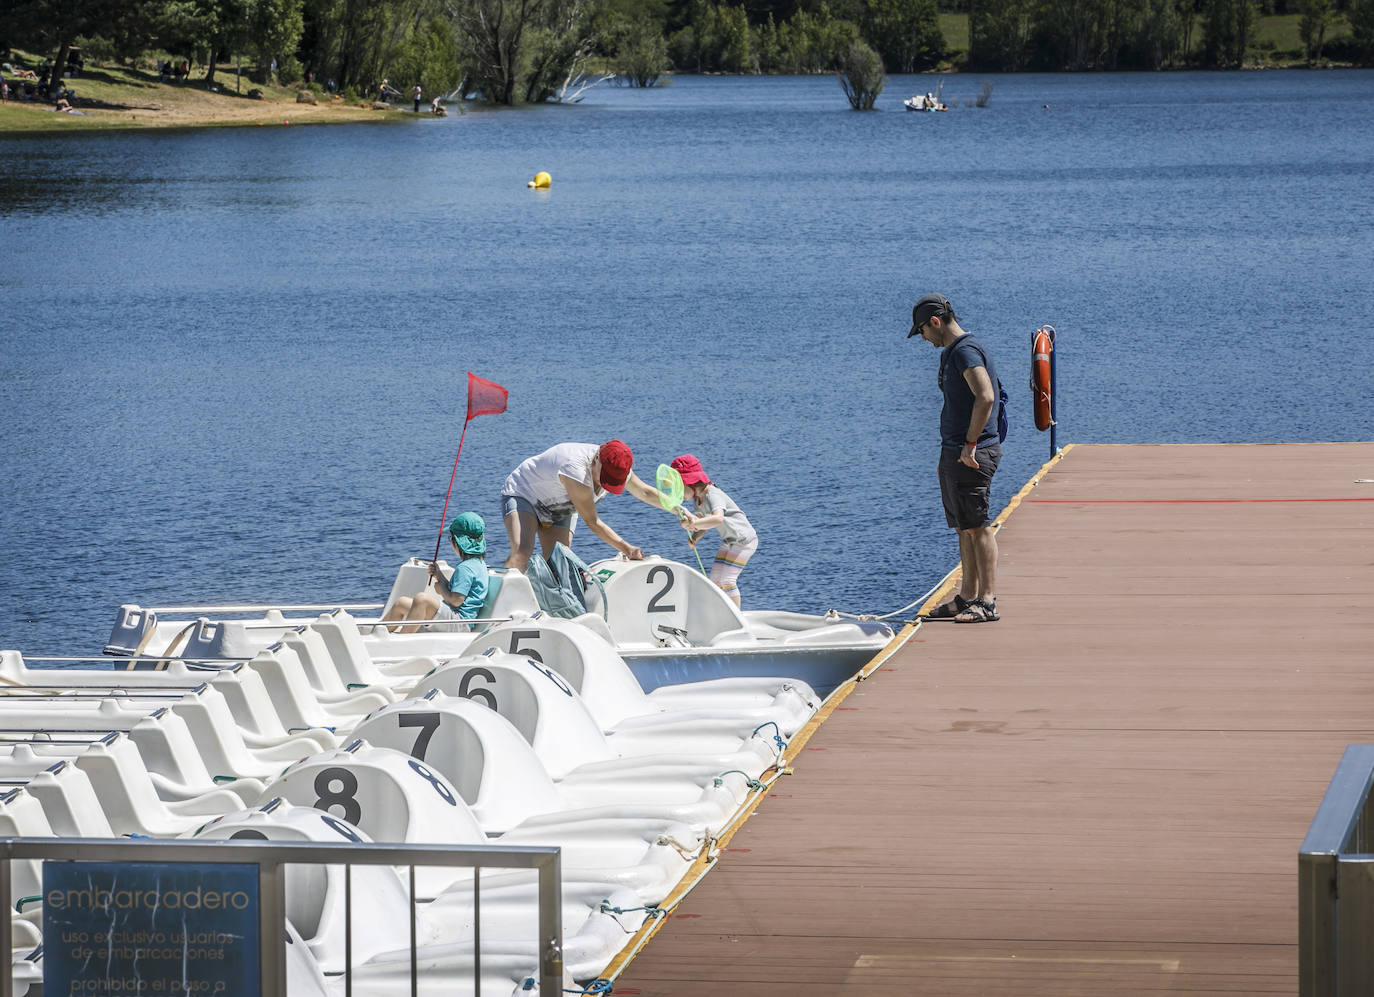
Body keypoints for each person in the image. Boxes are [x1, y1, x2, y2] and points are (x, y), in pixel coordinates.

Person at [909, 292, 1003, 623]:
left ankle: (988, 601)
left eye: (922, 331)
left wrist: (970, 444)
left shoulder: (965, 351)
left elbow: (986, 396)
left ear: (935, 322)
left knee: (978, 527)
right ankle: (967, 597)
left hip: (972, 453)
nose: (923, 338)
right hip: (954, 451)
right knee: (964, 527)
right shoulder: (955, 352)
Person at [500, 440, 662, 571]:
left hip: (559, 507)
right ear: (597, 457)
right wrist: (627, 549)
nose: (606, 485)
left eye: (614, 482)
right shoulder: (575, 469)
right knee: (521, 553)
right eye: (606, 477)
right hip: (525, 493)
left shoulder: (619, 467)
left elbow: (645, 493)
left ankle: (542, 604)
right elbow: (593, 522)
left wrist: (679, 510)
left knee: (558, 564)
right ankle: (501, 596)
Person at [670, 454, 758, 608]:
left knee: (727, 581)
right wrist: (696, 535)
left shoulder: (713, 494)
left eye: (680, 488)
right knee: (715, 580)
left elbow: (717, 518)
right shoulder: (698, 501)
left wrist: (695, 522)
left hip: (744, 541)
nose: (680, 494)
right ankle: (722, 613)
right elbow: (706, 523)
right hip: (730, 541)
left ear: (690, 482)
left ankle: (738, 618)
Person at [381, 512, 489, 633]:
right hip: (453, 618)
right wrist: (440, 576)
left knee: (422, 600)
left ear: (457, 542)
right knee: (401, 603)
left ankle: (403, 640)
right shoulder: (479, 564)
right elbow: (457, 592)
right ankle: (375, 636)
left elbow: (456, 600)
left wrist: (441, 590)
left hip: (459, 623)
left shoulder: (465, 568)